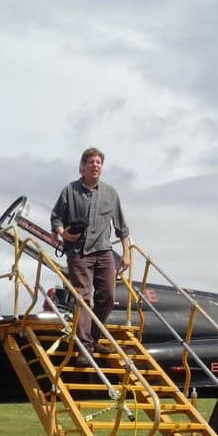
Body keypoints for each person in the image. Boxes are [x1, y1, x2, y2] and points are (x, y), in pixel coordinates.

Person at [51, 147, 131, 360]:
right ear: (82, 167)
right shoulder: (69, 191)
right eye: (91, 162)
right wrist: (64, 234)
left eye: (98, 162)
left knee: (108, 297)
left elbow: (122, 227)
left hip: (104, 251)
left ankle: (93, 338)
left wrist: (126, 253)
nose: (95, 165)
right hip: (79, 252)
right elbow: (56, 218)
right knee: (83, 297)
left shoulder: (111, 193)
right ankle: (84, 348)